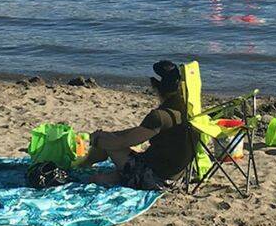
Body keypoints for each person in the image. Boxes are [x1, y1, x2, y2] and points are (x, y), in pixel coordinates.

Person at [77, 60, 196, 189]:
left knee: (99, 167)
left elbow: (124, 142)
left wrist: (97, 139)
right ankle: (92, 165)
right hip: (178, 176)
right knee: (108, 140)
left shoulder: (160, 116)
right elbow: (136, 133)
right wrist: (109, 135)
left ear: (154, 86)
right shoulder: (187, 111)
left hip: (155, 178)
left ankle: (84, 165)